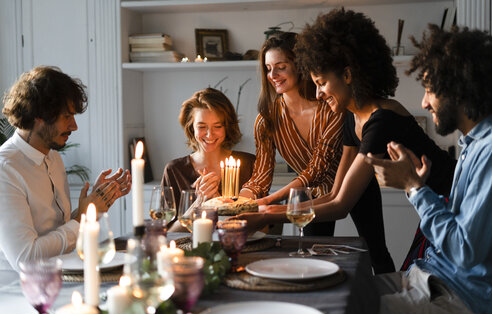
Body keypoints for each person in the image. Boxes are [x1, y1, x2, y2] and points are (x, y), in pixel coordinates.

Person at [239, 9, 456, 273]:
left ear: (348, 75)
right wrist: (269, 210)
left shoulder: (381, 120)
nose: (317, 94)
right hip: (431, 203)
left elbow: (341, 205)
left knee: (407, 276)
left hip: (453, 202)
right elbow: (334, 194)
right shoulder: (350, 117)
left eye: (321, 83)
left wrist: (266, 213)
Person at [364, 25, 492, 314]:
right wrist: (419, 189)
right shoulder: (472, 144)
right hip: (429, 278)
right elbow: (462, 229)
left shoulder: (489, 152)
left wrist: (414, 186)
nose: (423, 102)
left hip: (459, 299)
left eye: (430, 89)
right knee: (339, 292)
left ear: (456, 88)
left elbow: (464, 251)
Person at [0, 66, 131, 281]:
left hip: (66, 280)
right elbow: (26, 259)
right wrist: (81, 218)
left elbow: (58, 234)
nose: (74, 126)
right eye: (67, 116)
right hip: (24, 296)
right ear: (39, 115)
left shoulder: (54, 158)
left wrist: (92, 207)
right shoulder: (5, 170)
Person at [239, 31, 345, 237]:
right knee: (312, 251)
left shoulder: (330, 107)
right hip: (309, 193)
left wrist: (269, 201)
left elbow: (318, 169)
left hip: (351, 186)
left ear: (300, 65)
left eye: (281, 67)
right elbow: (260, 175)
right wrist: (240, 202)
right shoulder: (266, 119)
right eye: (268, 69)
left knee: (376, 251)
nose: (273, 76)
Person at [162, 88, 255, 227]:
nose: (210, 135)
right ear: (191, 127)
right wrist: (200, 202)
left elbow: (263, 227)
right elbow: (168, 233)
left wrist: (219, 204)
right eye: (202, 126)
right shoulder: (174, 170)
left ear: (227, 126)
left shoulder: (249, 164)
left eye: (217, 126)